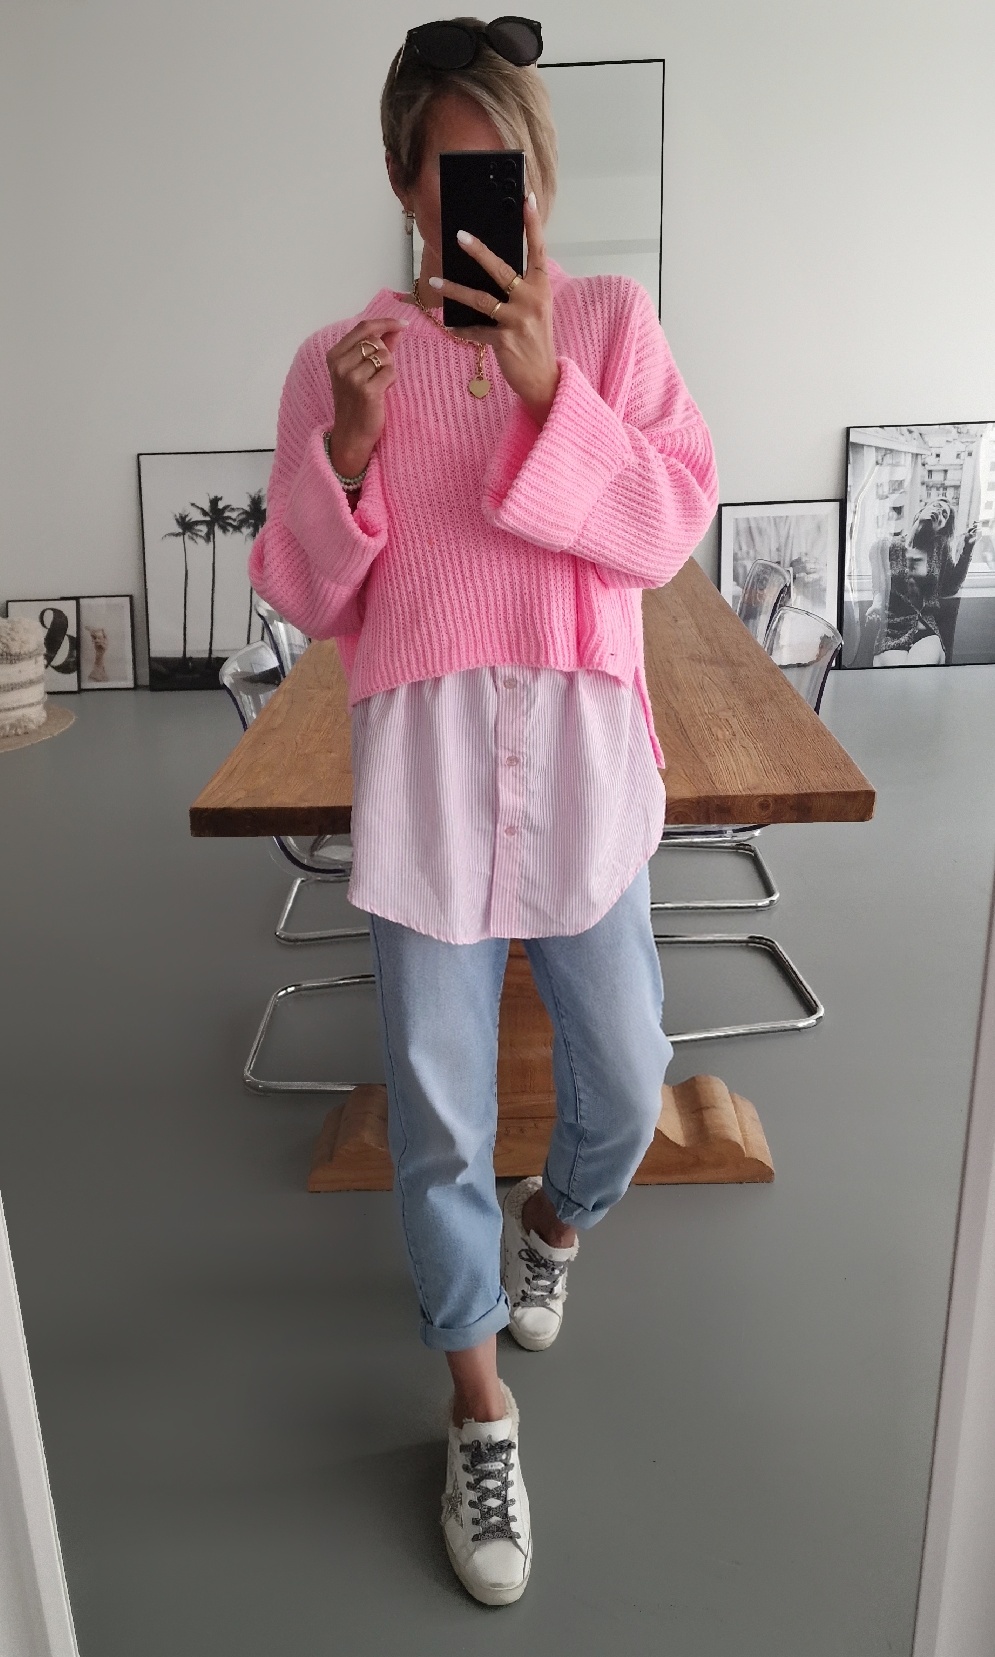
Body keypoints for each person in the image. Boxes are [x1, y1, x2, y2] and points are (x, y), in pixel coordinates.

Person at [248, 14, 718, 1606]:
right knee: (439, 1119)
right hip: (428, 770)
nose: (483, 198)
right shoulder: (341, 359)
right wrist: (348, 451)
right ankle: (476, 1408)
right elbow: (306, 588)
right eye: (453, 171)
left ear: (538, 174)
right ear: (403, 182)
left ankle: (555, 1226)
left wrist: (546, 393)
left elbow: (661, 528)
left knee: (630, 1078)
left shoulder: (608, 324)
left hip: (582, 752)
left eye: (506, 166)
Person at [866, 497, 977, 665]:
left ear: (941, 527)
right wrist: (876, 604)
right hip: (891, 631)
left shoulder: (940, 548)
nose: (939, 512)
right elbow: (879, 585)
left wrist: (967, 549)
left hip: (926, 630)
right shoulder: (883, 547)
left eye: (944, 515)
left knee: (917, 672)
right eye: (936, 506)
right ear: (920, 512)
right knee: (898, 677)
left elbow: (951, 586)